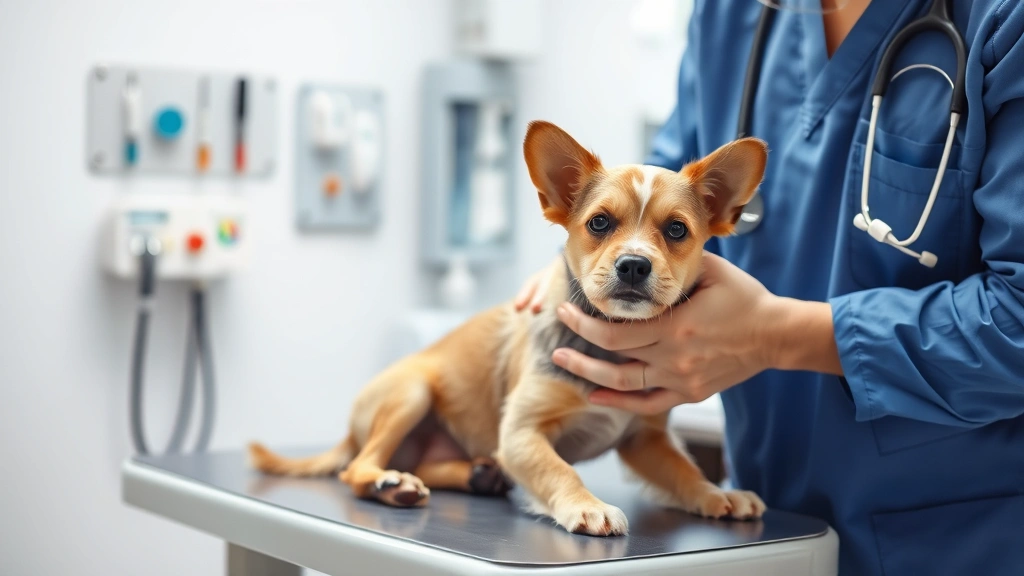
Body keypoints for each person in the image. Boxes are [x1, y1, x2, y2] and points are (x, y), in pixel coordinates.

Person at [515, 0, 1024, 574]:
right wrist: (579, 265)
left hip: (955, 542)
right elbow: (658, 185)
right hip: (763, 529)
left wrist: (773, 337)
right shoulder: (731, 13)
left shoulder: (1003, 21)